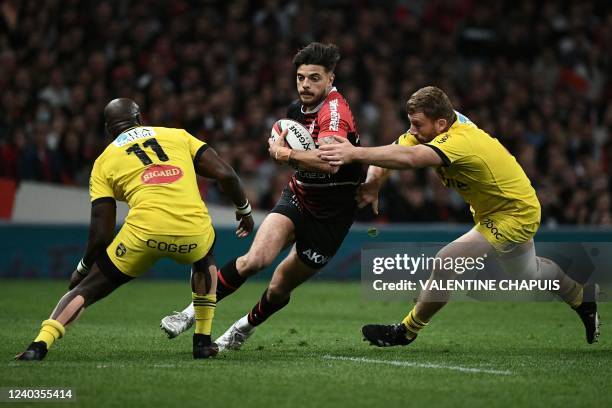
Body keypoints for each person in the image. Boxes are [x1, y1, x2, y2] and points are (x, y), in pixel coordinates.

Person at [318, 86, 600, 346]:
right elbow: (397, 150)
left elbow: (411, 159)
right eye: (411, 123)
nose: (412, 131)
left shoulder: (459, 140)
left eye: (418, 124)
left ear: (441, 124)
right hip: (497, 208)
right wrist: (375, 182)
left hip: (515, 212)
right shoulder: (435, 125)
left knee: (446, 261)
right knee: (529, 272)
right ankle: (582, 298)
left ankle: (405, 331)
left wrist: (354, 154)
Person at [159, 42, 364, 351]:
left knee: (280, 285)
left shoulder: (335, 113)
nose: (305, 85)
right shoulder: (296, 110)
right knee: (255, 260)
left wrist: (284, 153)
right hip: (299, 197)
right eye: (300, 77)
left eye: (314, 78)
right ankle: (189, 313)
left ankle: (244, 327)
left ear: (331, 79)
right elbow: (297, 153)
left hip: (333, 215)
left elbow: (330, 163)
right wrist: (287, 153)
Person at [16, 98, 254, 361]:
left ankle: (38, 345)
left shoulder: (103, 161)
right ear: (140, 118)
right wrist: (244, 210)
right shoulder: (176, 136)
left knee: (87, 290)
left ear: (109, 130)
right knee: (204, 254)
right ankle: (202, 341)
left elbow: (101, 233)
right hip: (192, 232)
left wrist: (83, 269)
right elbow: (226, 175)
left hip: (142, 235)